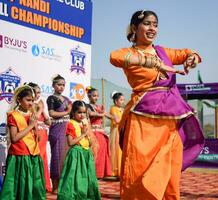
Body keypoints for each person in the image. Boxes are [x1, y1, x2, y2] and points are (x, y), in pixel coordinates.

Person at [110, 10, 205, 200]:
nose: (152, 28)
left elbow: (188, 52)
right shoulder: (128, 53)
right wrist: (150, 62)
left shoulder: (163, 52)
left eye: (155, 24)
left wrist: (191, 59)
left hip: (170, 118)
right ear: (135, 28)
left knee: (168, 166)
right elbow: (114, 57)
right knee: (139, 166)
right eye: (147, 24)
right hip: (143, 119)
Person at [0, 85, 46, 200]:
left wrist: (35, 126)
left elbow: (38, 139)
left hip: (32, 156)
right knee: (18, 185)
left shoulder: (32, 115)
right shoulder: (13, 115)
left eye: (32, 100)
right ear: (19, 100)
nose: (31, 103)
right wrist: (30, 126)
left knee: (33, 185)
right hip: (19, 155)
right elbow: (14, 138)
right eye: (28, 100)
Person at [57, 100, 101, 200]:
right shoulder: (71, 124)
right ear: (73, 113)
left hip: (86, 154)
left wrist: (88, 135)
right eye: (79, 112)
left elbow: (89, 142)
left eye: (84, 112)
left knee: (87, 178)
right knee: (75, 179)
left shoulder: (84, 123)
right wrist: (83, 134)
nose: (82, 115)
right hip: (76, 155)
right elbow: (71, 143)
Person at [46, 74, 72, 194]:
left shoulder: (67, 99)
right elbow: (52, 113)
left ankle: (64, 185)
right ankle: (55, 187)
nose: (61, 87)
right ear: (53, 85)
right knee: (56, 157)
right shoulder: (51, 98)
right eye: (59, 84)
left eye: (63, 85)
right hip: (56, 130)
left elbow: (72, 112)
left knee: (66, 157)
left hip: (67, 128)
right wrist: (67, 112)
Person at [28, 82, 52, 192]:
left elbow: (48, 122)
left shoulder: (41, 103)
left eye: (39, 92)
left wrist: (45, 114)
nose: (38, 95)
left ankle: (43, 184)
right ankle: (33, 186)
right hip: (33, 133)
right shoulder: (28, 104)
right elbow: (32, 119)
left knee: (43, 158)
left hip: (43, 134)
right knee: (36, 158)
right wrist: (40, 109)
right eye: (35, 92)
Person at [86, 87, 112, 179]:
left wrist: (115, 117)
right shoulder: (87, 106)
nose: (96, 98)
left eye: (97, 96)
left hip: (101, 132)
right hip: (93, 132)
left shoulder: (99, 107)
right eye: (94, 96)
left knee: (102, 151)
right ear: (89, 96)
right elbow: (91, 114)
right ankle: (93, 173)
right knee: (95, 152)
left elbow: (107, 114)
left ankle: (101, 174)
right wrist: (102, 114)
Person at [109, 91, 125, 177]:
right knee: (117, 150)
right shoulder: (113, 108)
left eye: (123, 100)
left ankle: (121, 170)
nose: (123, 102)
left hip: (122, 130)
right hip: (116, 131)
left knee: (122, 150)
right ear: (116, 101)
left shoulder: (122, 109)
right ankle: (115, 170)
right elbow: (117, 120)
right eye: (121, 100)